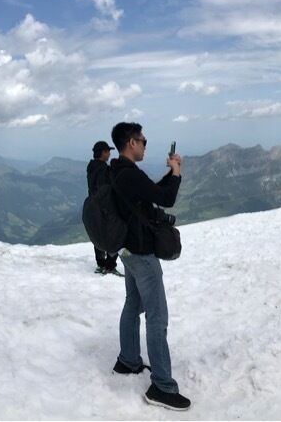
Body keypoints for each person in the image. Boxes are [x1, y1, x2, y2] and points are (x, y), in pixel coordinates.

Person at [106, 121, 189, 411]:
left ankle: (128, 360)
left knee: (133, 302)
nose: (144, 145)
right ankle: (162, 386)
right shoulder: (129, 173)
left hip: (127, 249)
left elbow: (151, 193)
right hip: (141, 253)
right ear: (131, 142)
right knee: (157, 316)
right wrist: (176, 173)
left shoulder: (118, 170)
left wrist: (171, 173)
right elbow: (166, 198)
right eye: (143, 141)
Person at [89, 141, 118, 276]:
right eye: (107, 151)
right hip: (104, 207)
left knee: (98, 234)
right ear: (102, 153)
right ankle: (110, 265)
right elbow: (104, 190)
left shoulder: (91, 167)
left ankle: (100, 264)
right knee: (115, 235)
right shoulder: (103, 169)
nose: (109, 153)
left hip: (93, 205)